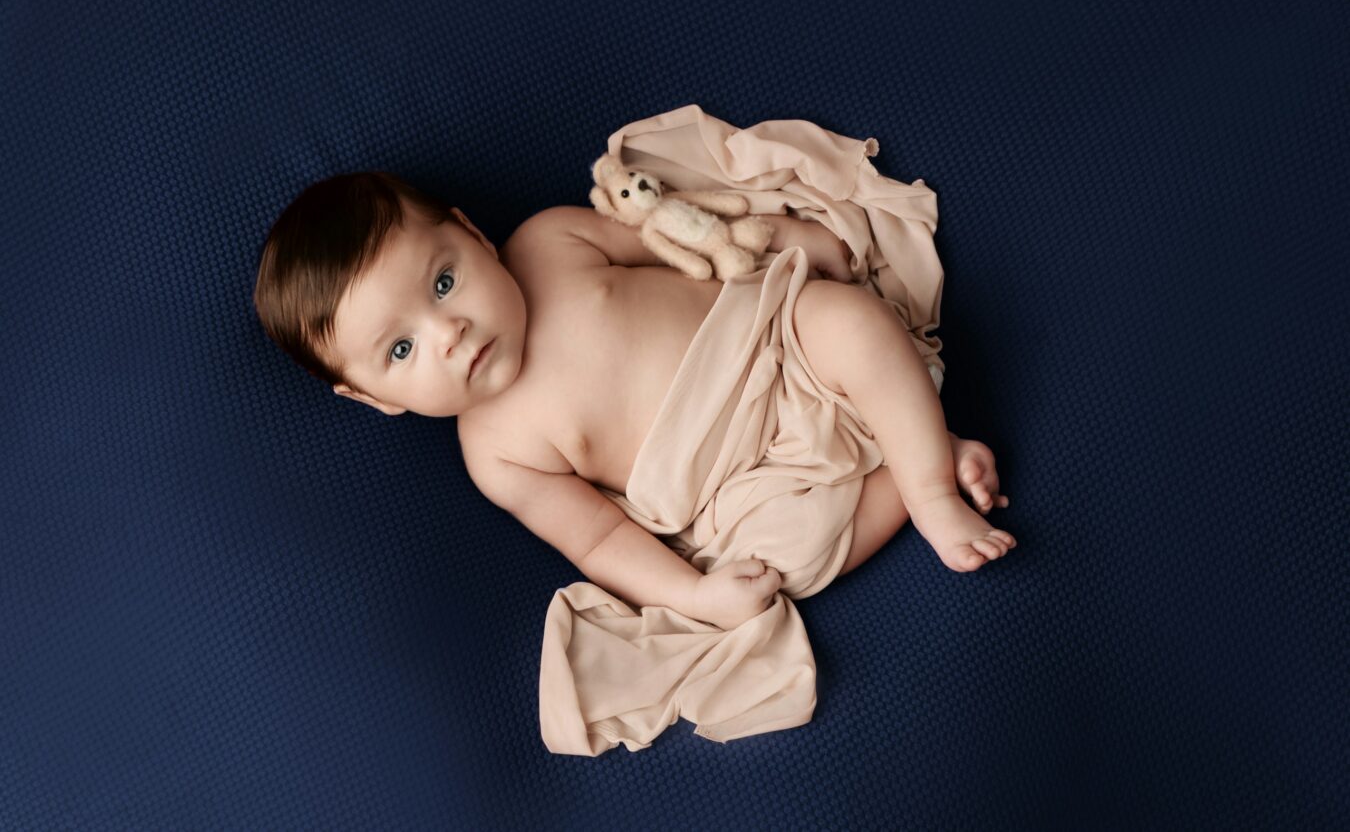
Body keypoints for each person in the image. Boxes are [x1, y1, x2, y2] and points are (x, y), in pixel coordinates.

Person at [253, 171, 1014, 631]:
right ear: (374, 399)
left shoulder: (549, 242)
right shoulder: (496, 452)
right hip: (727, 488)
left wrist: (781, 238)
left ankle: (931, 491)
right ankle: (911, 462)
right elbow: (599, 540)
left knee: (853, 321)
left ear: (472, 234)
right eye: (401, 350)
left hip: (769, 341)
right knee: (792, 556)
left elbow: (683, 238)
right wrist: (695, 595)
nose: (448, 333)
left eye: (443, 282)